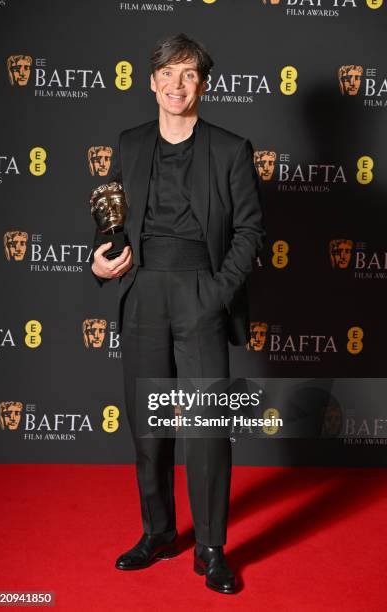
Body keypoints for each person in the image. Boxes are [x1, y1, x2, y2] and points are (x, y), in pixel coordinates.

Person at [90, 33, 265, 594]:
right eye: (167, 73)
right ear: (152, 81)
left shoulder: (231, 148)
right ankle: (159, 533)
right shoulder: (130, 142)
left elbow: (249, 231)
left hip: (200, 290)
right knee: (149, 428)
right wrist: (103, 259)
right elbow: (112, 222)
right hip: (143, 291)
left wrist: (216, 293)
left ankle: (211, 549)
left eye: (188, 74)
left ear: (203, 84)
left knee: (207, 429)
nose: (176, 84)